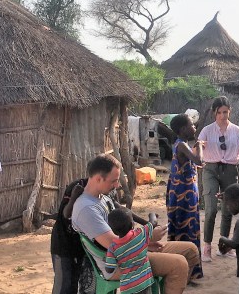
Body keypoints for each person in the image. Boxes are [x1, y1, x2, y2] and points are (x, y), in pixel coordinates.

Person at [72, 154, 201, 294]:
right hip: (121, 262)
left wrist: (146, 243)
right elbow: (114, 244)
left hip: (131, 250)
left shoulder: (101, 197)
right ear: (98, 179)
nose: (117, 185)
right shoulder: (87, 209)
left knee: (191, 250)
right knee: (179, 264)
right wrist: (148, 237)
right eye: (114, 181)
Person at [197, 96, 239, 261]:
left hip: (230, 169)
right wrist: (199, 152)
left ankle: (224, 247)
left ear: (230, 111)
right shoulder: (207, 130)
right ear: (214, 112)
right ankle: (207, 247)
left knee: (228, 209)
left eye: (226, 112)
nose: (223, 115)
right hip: (211, 170)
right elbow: (200, 145)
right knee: (211, 209)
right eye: (220, 112)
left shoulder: (236, 131)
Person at [166, 114, 204, 279]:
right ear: (182, 129)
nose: (194, 128)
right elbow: (198, 160)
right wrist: (200, 146)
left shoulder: (179, 145)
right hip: (184, 198)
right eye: (191, 125)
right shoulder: (181, 145)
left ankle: (183, 271)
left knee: (182, 229)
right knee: (187, 231)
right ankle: (185, 272)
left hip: (182, 194)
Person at [104, 207, 161, 293]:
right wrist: (152, 215)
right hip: (144, 283)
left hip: (127, 288)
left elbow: (109, 269)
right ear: (132, 224)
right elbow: (153, 223)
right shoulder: (141, 234)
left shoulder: (113, 248)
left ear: (112, 230)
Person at [50, 179, 87, 294]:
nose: (115, 184)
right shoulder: (77, 187)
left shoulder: (106, 192)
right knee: (62, 287)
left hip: (79, 248)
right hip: (63, 246)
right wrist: (74, 197)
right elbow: (66, 214)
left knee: (72, 286)